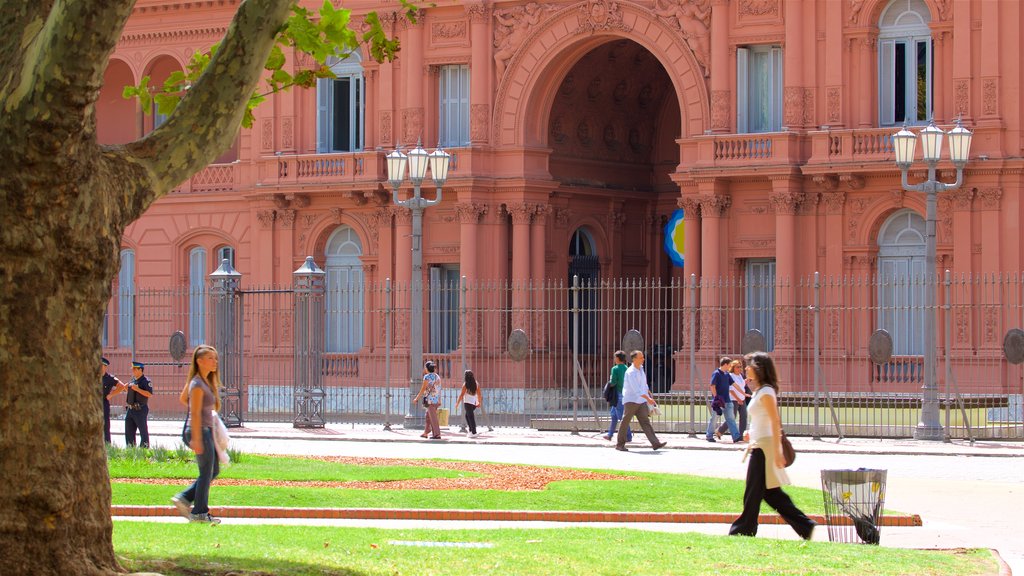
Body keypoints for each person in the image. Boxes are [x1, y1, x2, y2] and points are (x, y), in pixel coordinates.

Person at [729, 351, 816, 540]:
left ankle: (744, 528)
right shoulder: (759, 390)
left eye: (749, 365)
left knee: (754, 490)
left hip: (765, 448)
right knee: (770, 493)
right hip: (759, 444)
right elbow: (763, 420)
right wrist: (750, 433)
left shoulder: (766, 391)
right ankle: (806, 526)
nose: (746, 368)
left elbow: (775, 421)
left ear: (758, 368)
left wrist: (777, 452)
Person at [171, 344, 224, 524]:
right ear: (199, 361)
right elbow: (193, 412)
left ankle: (185, 498)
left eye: (215, 358)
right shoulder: (197, 384)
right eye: (210, 358)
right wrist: (196, 438)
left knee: (213, 470)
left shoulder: (200, 380)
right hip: (199, 430)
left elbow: (182, 398)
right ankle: (200, 513)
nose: (214, 361)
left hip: (205, 430)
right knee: (206, 472)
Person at [615, 350, 667, 452]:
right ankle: (620, 444)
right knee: (625, 422)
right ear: (634, 359)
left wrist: (648, 392)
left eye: (643, 357)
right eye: (641, 357)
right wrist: (648, 398)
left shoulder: (641, 369)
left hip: (641, 400)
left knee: (645, 422)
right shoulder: (630, 372)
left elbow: (644, 384)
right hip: (631, 400)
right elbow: (636, 389)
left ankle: (655, 443)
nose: (643, 359)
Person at [116, 361, 153, 448]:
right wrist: (127, 389)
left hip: (140, 409)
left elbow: (149, 394)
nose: (133, 371)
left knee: (143, 430)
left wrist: (137, 389)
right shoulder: (133, 380)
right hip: (130, 409)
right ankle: (130, 449)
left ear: (140, 370)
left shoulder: (146, 381)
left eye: (134, 369)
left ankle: (144, 448)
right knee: (129, 430)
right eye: (132, 369)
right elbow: (126, 388)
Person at [707, 357, 741, 443]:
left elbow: (734, 384)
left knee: (731, 418)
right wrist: (716, 398)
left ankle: (736, 436)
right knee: (714, 418)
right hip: (719, 401)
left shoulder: (727, 374)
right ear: (725, 364)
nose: (730, 366)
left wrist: (743, 393)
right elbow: (712, 386)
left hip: (727, 401)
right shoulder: (716, 373)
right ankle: (709, 435)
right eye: (729, 365)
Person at [602, 350, 632, 442]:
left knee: (621, 418)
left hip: (617, 395)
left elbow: (613, 382)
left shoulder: (615, 369)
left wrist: (608, 385)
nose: (614, 359)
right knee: (614, 415)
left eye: (615, 357)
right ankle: (610, 434)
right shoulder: (627, 368)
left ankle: (628, 436)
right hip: (625, 394)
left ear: (618, 358)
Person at [716, 359, 750, 438]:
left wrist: (745, 381)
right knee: (732, 417)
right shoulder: (730, 376)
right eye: (737, 367)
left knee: (744, 417)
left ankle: (742, 435)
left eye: (740, 367)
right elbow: (731, 390)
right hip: (734, 400)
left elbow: (740, 385)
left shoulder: (740, 375)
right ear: (733, 368)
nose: (740, 368)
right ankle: (720, 430)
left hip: (742, 399)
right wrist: (738, 399)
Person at [413, 360, 442, 439]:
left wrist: (416, 398)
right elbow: (439, 389)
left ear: (426, 368)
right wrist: (439, 400)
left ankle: (437, 434)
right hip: (436, 400)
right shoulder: (437, 376)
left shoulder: (427, 377)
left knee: (433, 418)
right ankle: (426, 432)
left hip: (430, 400)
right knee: (428, 416)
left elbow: (423, 389)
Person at [455, 370, 483, 437]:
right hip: (474, 403)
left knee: (470, 417)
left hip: (467, 402)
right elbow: (479, 394)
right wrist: (479, 402)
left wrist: (457, 403)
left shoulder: (466, 384)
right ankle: (471, 430)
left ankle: (474, 432)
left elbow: (461, 395)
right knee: (467, 416)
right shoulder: (476, 383)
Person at [100, 357, 122, 444]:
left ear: (105, 367)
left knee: (105, 425)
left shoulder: (109, 378)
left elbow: (121, 386)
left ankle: (107, 444)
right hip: (94, 403)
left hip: (104, 402)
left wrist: (111, 394)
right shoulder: (92, 376)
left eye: (101, 365)